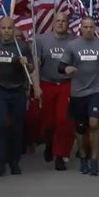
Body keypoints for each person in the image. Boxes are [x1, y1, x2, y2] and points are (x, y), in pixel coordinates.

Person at [58, 16, 99, 176]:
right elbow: (61, 66)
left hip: (97, 89)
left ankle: (94, 161)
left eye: (91, 27)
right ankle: (83, 157)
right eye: (85, 27)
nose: (88, 30)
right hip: (78, 92)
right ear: (80, 28)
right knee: (81, 129)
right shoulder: (73, 46)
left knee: (94, 123)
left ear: (95, 29)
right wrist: (67, 69)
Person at [0, 17, 34, 177]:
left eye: (9, 28)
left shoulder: (22, 47)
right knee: (0, 125)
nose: (6, 31)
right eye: (3, 28)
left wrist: (26, 63)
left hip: (17, 90)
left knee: (16, 127)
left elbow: (32, 67)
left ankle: (14, 161)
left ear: (14, 30)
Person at [32, 13, 76, 171]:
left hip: (66, 84)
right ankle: (49, 143)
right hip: (47, 83)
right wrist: (36, 87)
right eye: (58, 21)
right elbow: (35, 67)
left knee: (64, 120)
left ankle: (60, 155)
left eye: (64, 21)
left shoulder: (74, 41)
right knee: (49, 122)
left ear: (68, 23)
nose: (60, 23)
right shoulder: (41, 41)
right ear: (52, 23)